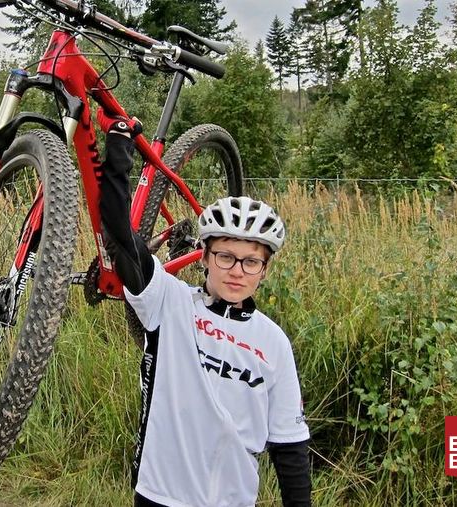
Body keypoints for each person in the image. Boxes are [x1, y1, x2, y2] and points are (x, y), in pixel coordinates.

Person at [96, 108, 312, 507]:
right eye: (226, 257)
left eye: (251, 262)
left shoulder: (274, 342)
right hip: (160, 495)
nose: (237, 271)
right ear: (204, 257)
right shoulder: (170, 302)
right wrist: (119, 151)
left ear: (264, 270)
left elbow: (290, 448)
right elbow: (122, 238)